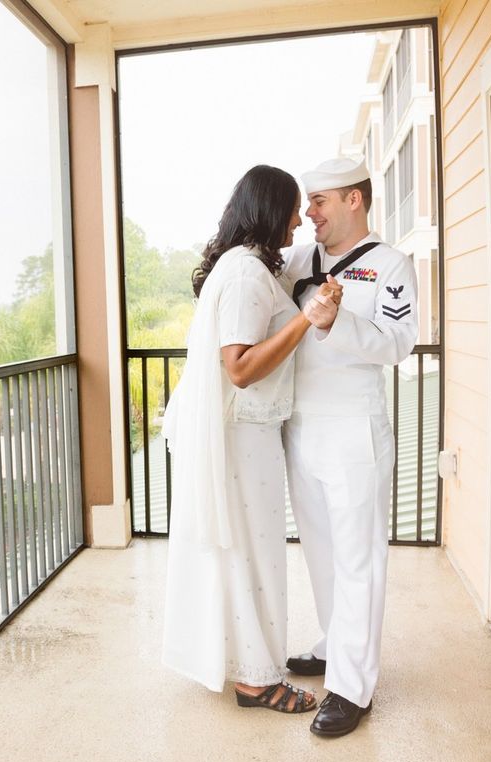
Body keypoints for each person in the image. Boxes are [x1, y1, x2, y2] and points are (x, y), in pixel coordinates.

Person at [161, 164, 340, 714]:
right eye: (292, 208)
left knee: (248, 550)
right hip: (242, 436)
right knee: (253, 552)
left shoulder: (248, 268)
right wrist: (306, 318)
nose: (299, 220)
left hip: (250, 433)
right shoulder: (243, 276)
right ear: (270, 210)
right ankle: (256, 679)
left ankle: (251, 666)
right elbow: (238, 367)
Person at [279, 156, 418, 736]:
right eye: (308, 204)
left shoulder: (392, 266)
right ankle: (336, 643)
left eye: (319, 202)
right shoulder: (294, 262)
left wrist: (337, 322)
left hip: (354, 427)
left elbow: (399, 343)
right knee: (319, 550)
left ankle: (352, 687)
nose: (308, 214)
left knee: (359, 558)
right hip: (300, 423)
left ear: (353, 200)